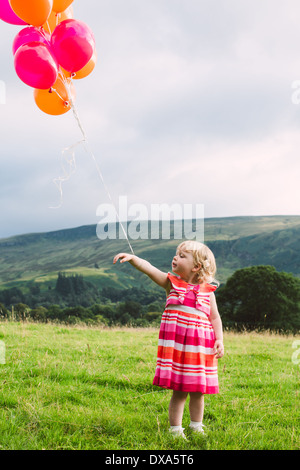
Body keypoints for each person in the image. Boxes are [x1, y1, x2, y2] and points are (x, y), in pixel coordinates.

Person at [113, 240, 224, 439]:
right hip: (179, 349)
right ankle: (175, 430)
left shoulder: (208, 292)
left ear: (196, 266)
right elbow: (149, 269)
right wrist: (134, 259)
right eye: (176, 254)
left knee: (198, 391)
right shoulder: (171, 283)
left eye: (182, 256)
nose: (175, 257)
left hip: (200, 349)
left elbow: (215, 317)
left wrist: (220, 340)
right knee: (179, 391)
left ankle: (197, 426)